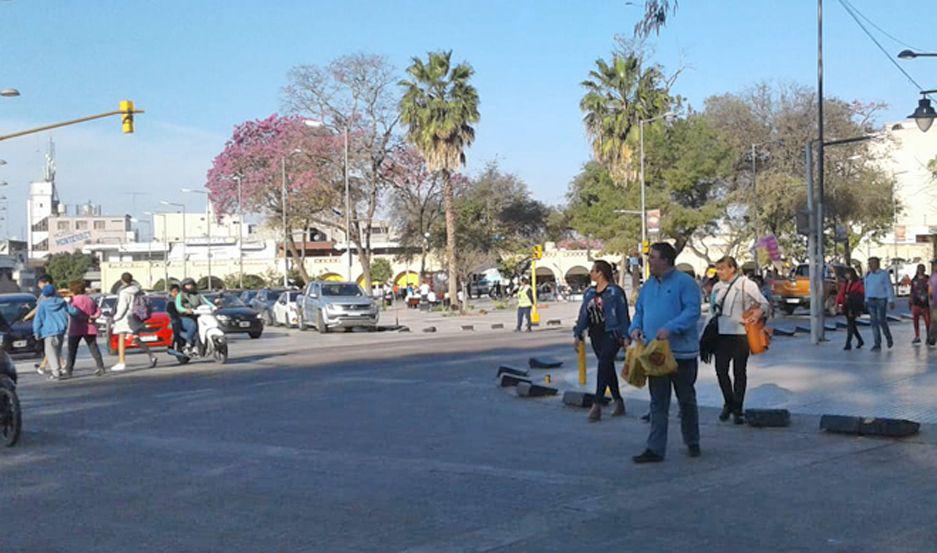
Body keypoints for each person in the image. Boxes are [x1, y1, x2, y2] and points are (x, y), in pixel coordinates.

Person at [628, 242, 702, 463]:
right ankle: (655, 448)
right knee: (658, 402)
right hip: (655, 353)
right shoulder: (648, 286)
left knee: (686, 399)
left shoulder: (685, 283)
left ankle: (692, 440)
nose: (649, 261)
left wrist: (670, 328)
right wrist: (635, 329)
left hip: (681, 353)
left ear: (666, 260)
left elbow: (692, 311)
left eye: (653, 257)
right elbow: (639, 311)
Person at [709, 256, 769, 424]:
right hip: (721, 334)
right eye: (718, 269)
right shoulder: (717, 287)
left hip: (740, 334)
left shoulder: (746, 284)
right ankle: (728, 401)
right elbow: (712, 312)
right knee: (721, 370)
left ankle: (738, 408)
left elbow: (764, 304)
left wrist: (756, 314)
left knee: (739, 372)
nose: (719, 272)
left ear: (732, 268)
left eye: (722, 269)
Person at [572, 260, 630, 422]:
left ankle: (596, 405)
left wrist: (626, 336)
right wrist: (578, 334)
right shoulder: (589, 292)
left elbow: (623, 314)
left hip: (612, 333)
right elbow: (584, 314)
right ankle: (618, 401)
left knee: (604, 363)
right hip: (596, 334)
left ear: (601, 273)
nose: (590, 273)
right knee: (607, 367)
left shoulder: (615, 292)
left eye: (593, 271)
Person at [111, 272, 157, 372]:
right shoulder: (137, 290)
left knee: (121, 338)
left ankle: (121, 362)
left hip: (126, 317)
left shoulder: (124, 292)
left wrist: (115, 318)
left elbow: (123, 307)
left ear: (122, 280)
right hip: (136, 316)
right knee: (135, 338)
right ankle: (151, 355)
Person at [64, 281, 106, 377]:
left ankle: (69, 370)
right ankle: (101, 367)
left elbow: (73, 313)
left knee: (72, 351)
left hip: (76, 328)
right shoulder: (90, 299)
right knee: (94, 348)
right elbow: (98, 310)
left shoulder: (73, 301)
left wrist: (85, 318)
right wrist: (93, 317)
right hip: (90, 327)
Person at [32, 283, 69, 380]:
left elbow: (38, 319)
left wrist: (36, 332)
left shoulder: (43, 304)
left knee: (50, 352)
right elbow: (72, 311)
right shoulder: (62, 302)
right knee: (57, 351)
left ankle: (56, 372)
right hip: (60, 331)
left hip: (48, 332)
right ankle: (58, 370)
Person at [24, 274, 54, 375]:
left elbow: (38, 310)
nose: (39, 285)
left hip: (48, 324)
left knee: (51, 347)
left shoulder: (45, 295)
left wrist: (27, 317)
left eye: (40, 283)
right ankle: (44, 365)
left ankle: (59, 367)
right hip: (56, 324)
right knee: (52, 347)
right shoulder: (57, 295)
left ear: (47, 283)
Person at [863, 257, 895, 351]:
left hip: (881, 299)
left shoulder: (884, 274)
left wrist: (891, 300)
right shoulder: (868, 275)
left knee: (881, 320)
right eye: (869, 264)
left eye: (872, 263)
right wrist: (866, 299)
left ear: (877, 264)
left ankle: (888, 338)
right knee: (873, 322)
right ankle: (877, 343)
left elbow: (888, 286)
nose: (870, 265)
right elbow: (866, 287)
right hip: (871, 299)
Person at [175, 277, 211, 355]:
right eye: (187, 285)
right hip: (184, 317)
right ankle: (189, 344)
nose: (189, 286)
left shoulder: (198, 295)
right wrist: (185, 310)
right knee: (193, 325)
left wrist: (214, 307)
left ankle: (201, 346)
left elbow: (206, 302)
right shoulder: (180, 295)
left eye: (191, 284)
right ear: (183, 286)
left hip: (198, 315)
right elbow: (178, 306)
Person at [836, 267, 865, 350]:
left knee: (850, 324)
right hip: (847, 305)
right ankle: (860, 340)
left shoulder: (858, 283)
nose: (847, 275)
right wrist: (838, 303)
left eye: (848, 273)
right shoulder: (845, 284)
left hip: (854, 306)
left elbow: (861, 294)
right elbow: (841, 294)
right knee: (852, 324)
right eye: (846, 274)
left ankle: (848, 343)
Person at [909, 264, 930, 345]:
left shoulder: (928, 278)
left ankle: (928, 336)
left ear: (924, 270)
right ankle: (917, 336)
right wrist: (910, 301)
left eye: (922, 269)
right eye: (919, 269)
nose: (921, 270)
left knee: (927, 321)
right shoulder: (914, 279)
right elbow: (911, 291)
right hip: (916, 303)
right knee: (915, 321)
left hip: (925, 304)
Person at [166, 283, 185, 351]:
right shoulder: (170, 302)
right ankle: (175, 344)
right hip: (175, 319)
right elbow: (171, 312)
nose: (176, 293)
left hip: (185, 318)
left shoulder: (183, 300)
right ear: (170, 293)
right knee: (175, 325)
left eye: (177, 291)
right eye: (174, 291)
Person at [928, 260, 937, 348]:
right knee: (934, 321)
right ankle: (932, 338)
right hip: (935, 303)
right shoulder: (933, 276)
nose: (933, 267)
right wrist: (930, 300)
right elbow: (930, 289)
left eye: (934, 265)